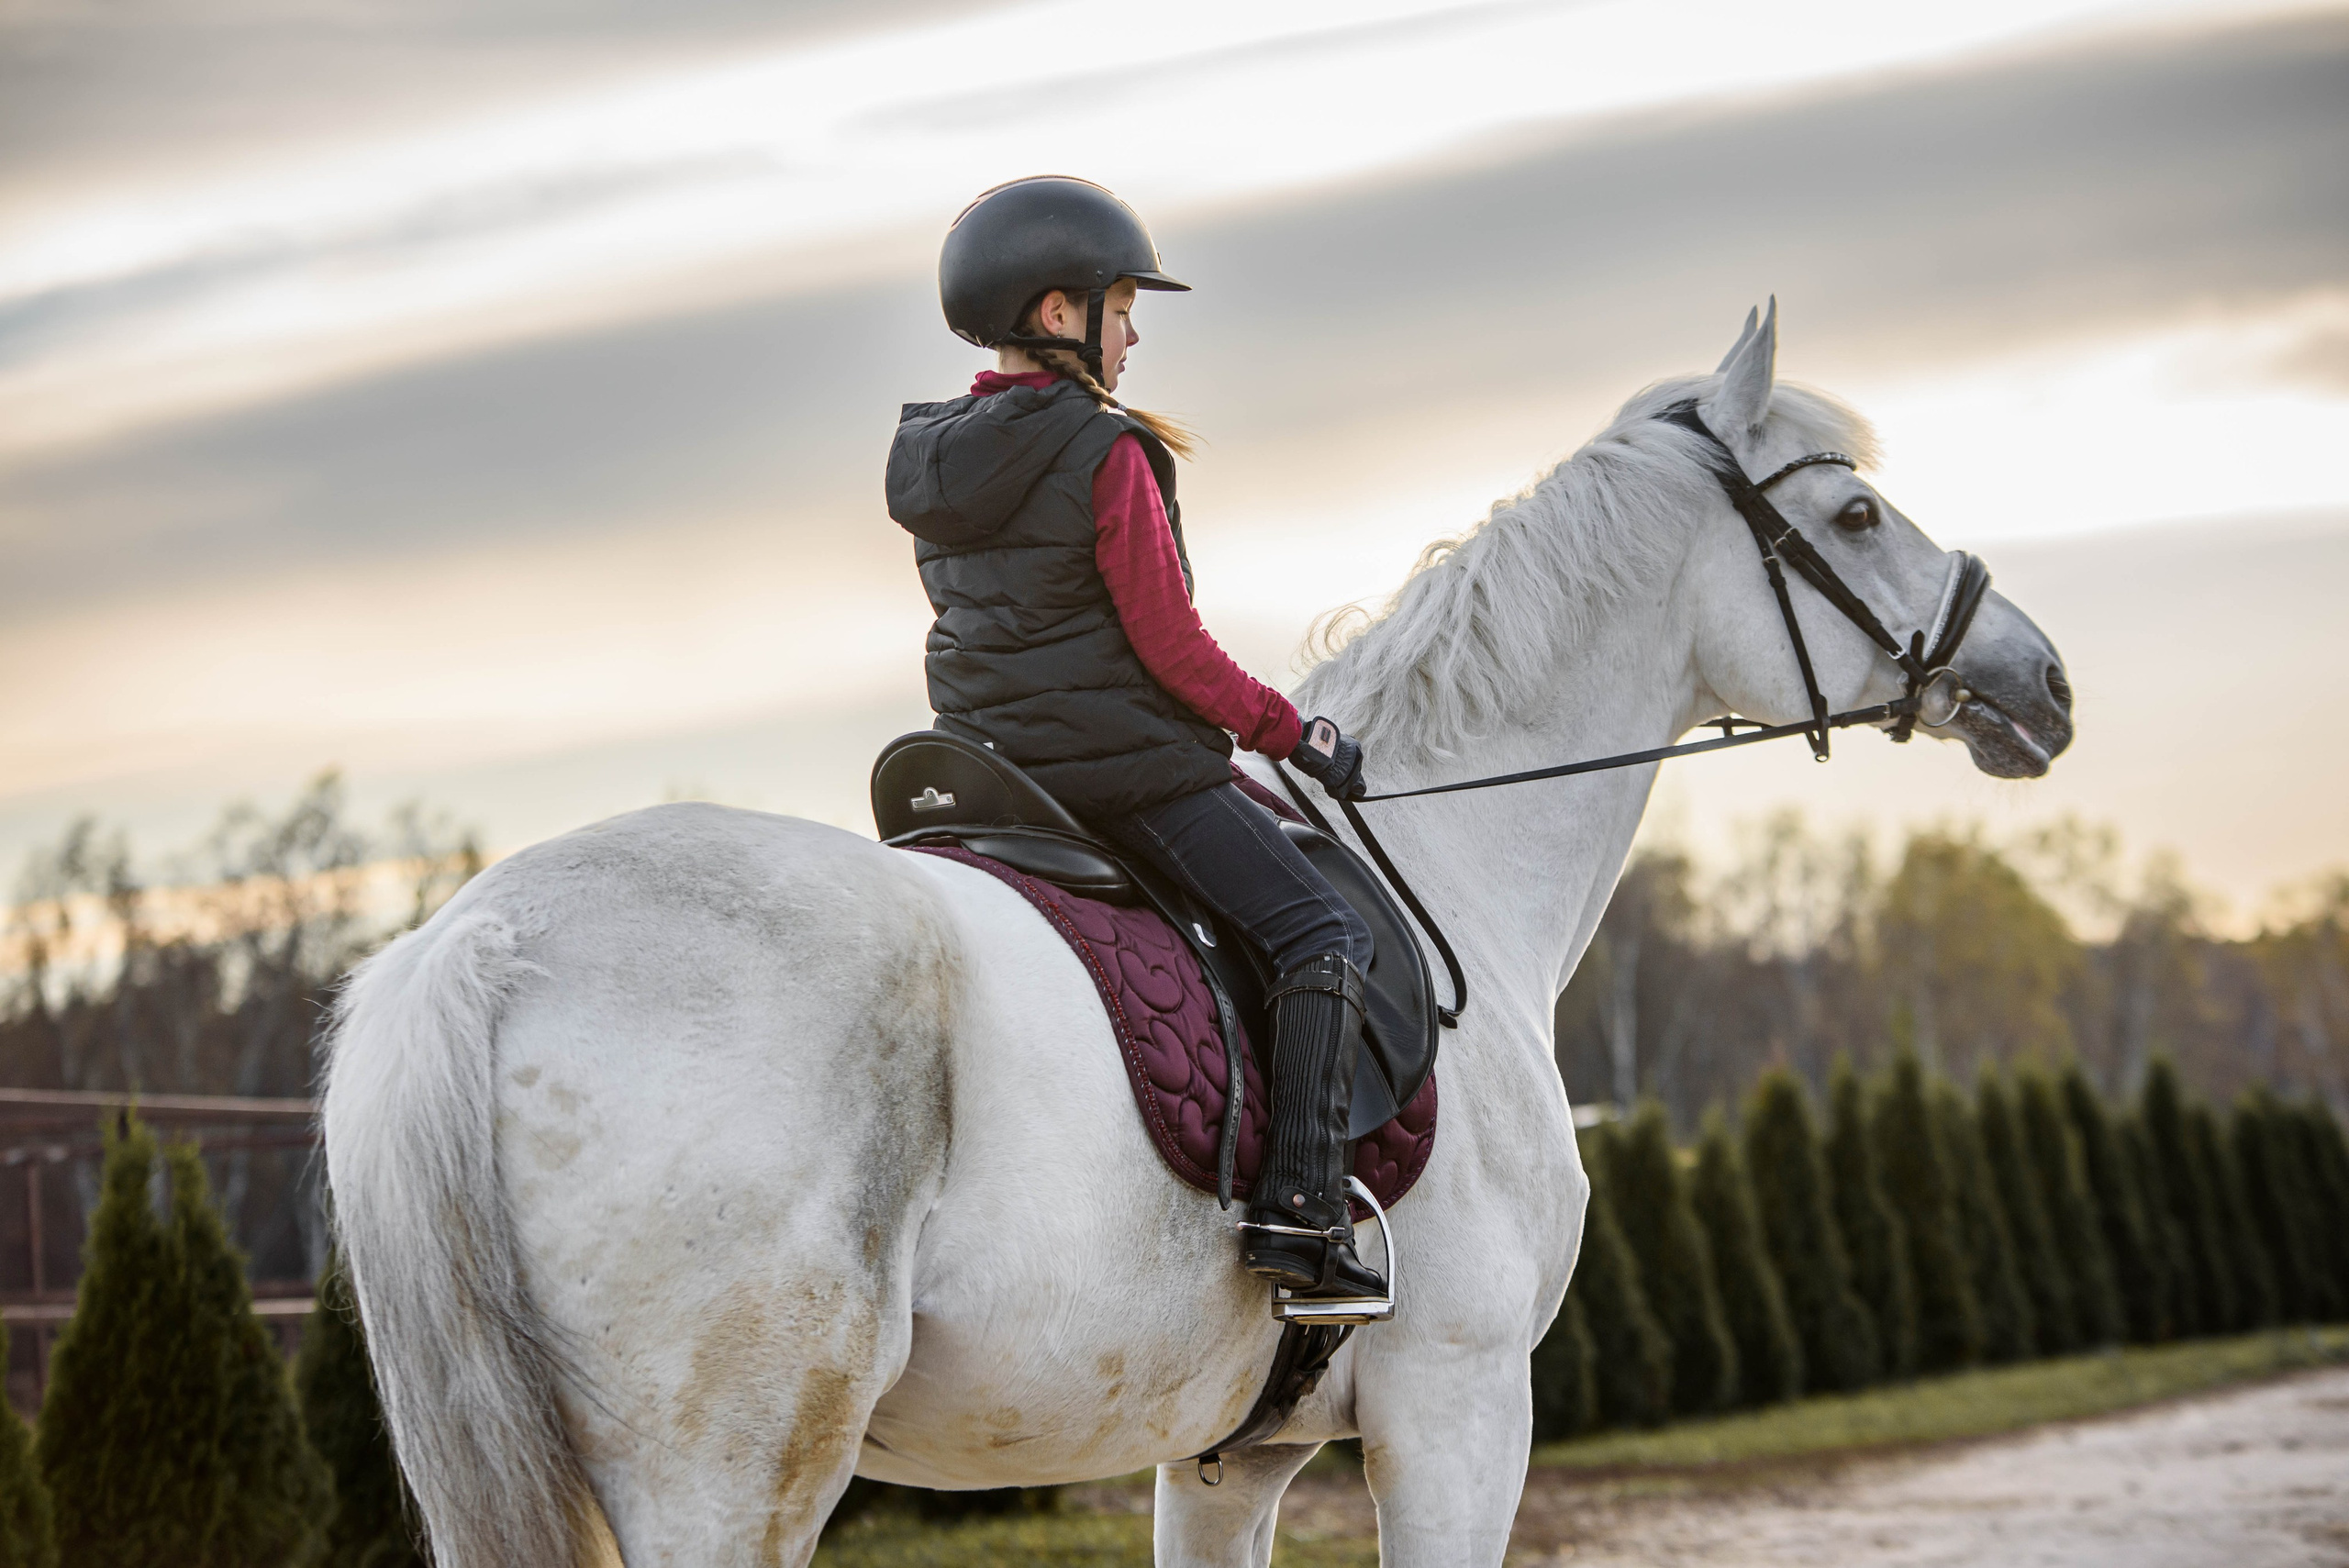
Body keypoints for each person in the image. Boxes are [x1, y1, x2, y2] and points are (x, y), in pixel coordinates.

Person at [885, 176, 1385, 1305]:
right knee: (1323, 932)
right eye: (1120, 303)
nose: (1135, 327)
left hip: (987, 773)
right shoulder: (1103, 451)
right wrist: (1290, 731)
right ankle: (1304, 1211)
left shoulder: (934, 454)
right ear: (1056, 313)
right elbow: (1172, 648)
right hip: (1120, 773)